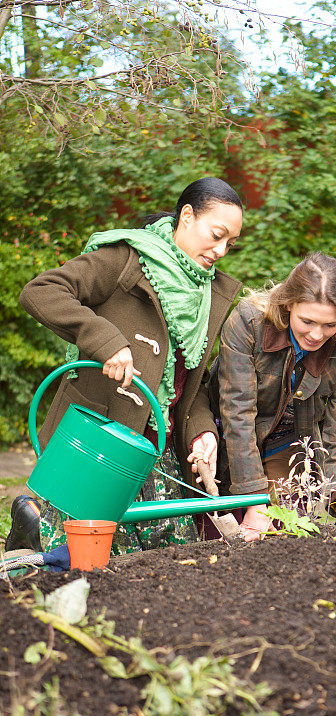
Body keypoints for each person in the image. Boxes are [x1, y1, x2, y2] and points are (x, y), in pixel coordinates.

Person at [7, 177, 243, 554]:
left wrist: (202, 431)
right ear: (186, 216)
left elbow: (189, 385)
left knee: (171, 555)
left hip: (157, 447)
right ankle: (30, 526)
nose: (221, 250)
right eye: (216, 235)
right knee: (75, 557)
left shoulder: (208, 294)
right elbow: (41, 291)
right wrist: (105, 339)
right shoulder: (123, 260)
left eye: (230, 243)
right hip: (101, 435)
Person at [210, 252, 336, 542]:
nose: (317, 335)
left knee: (286, 531)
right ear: (289, 304)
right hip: (224, 434)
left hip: (288, 439)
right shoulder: (247, 323)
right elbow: (237, 417)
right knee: (227, 531)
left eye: (330, 325)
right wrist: (254, 501)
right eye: (308, 321)